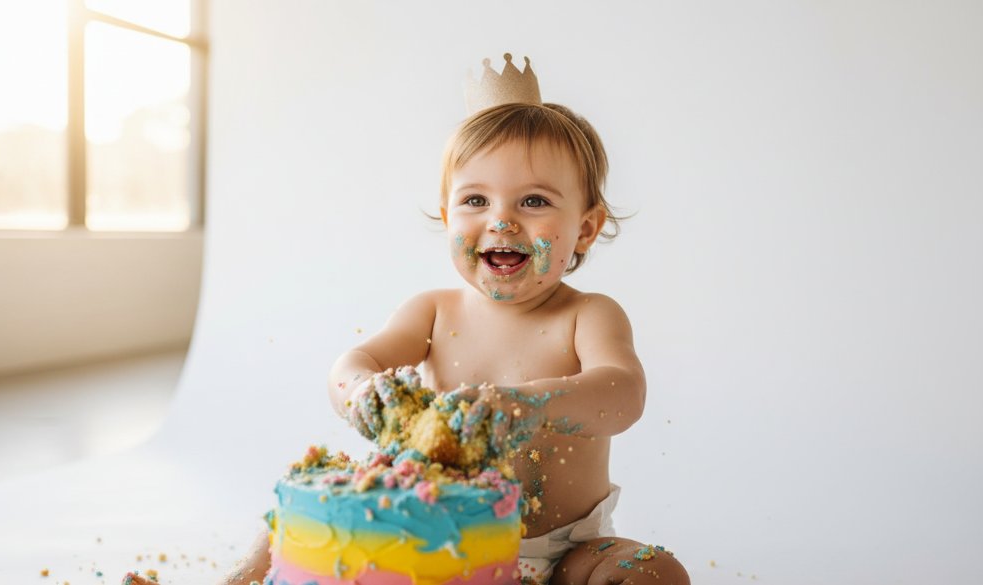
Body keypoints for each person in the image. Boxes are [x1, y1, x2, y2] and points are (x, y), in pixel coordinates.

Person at [127, 101, 689, 585]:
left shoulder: (587, 315)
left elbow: (622, 393)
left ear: (586, 228)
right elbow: (354, 363)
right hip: (429, 541)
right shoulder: (432, 310)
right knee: (291, 516)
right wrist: (363, 392)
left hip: (561, 551)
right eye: (475, 201)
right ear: (447, 216)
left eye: (534, 202)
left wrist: (524, 404)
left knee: (652, 568)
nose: (501, 221)